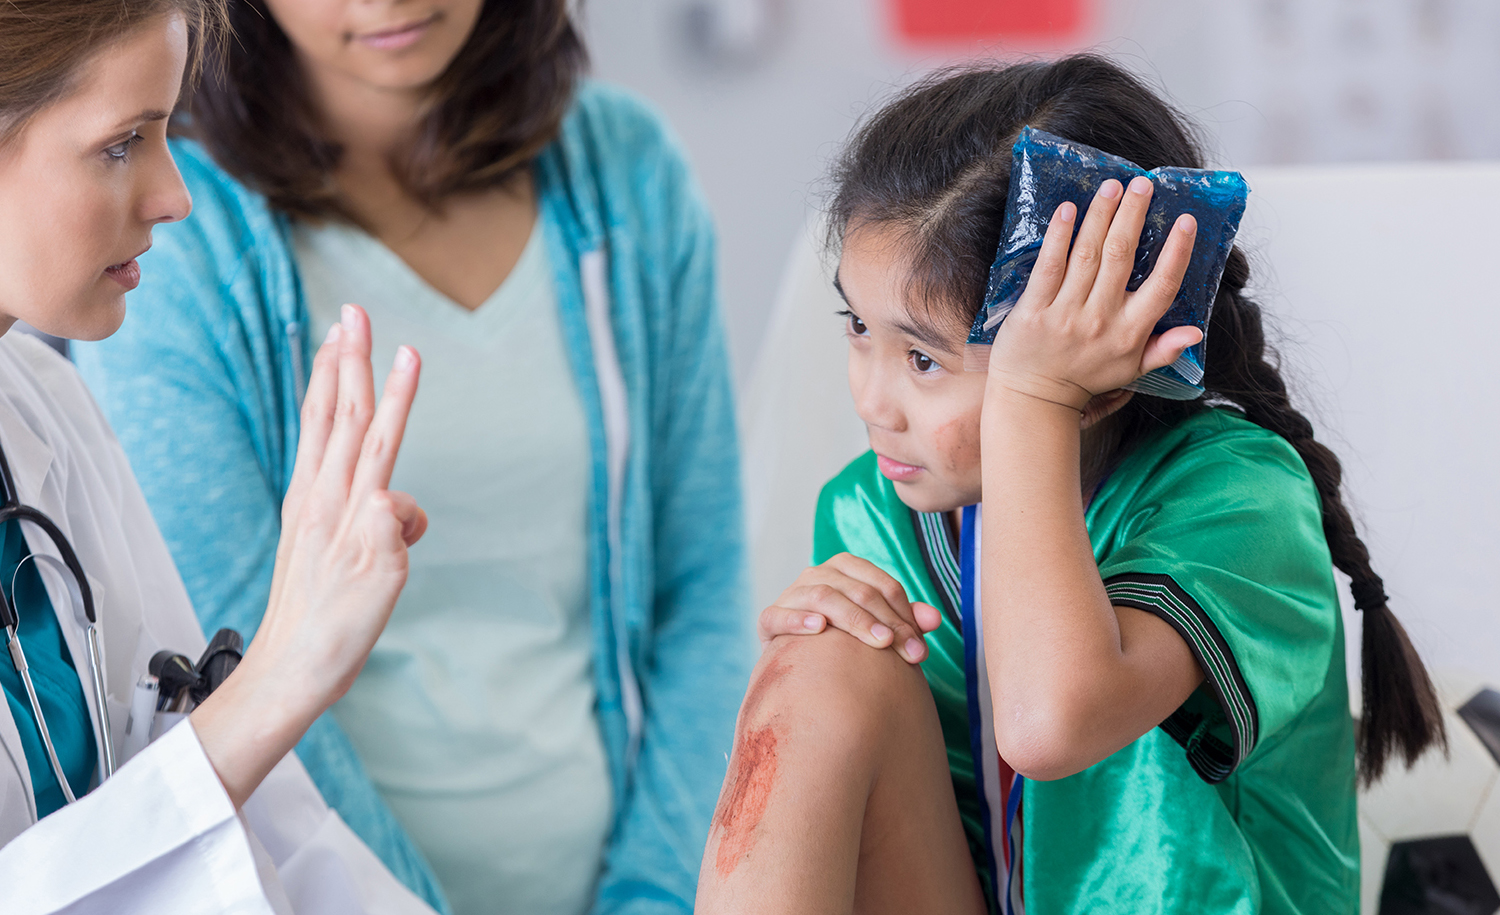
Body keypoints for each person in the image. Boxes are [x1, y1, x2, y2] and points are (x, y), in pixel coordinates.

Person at [698, 56, 1447, 915]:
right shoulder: (875, 507)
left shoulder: (1242, 499)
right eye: (856, 326)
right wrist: (807, 658)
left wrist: (1033, 398)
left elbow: (1048, 724)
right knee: (820, 663)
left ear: (1104, 370)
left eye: (921, 358)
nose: (872, 399)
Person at [71, 1, 751, 913]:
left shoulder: (627, 174)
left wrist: (658, 894)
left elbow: (703, 591)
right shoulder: (163, 233)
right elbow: (232, 668)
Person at [0, 1, 443, 911]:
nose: (176, 195)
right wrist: (280, 676)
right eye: (123, 142)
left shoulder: (49, 409)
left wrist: (281, 669)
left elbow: (254, 822)